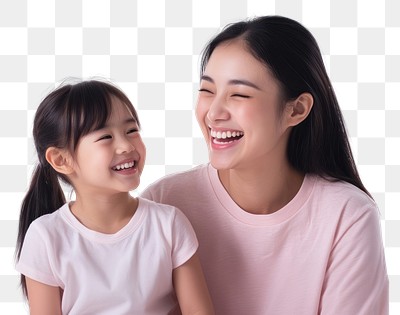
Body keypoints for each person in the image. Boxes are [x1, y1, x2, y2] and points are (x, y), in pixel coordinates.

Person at [141, 15, 389, 314]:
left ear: (296, 110)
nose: (213, 112)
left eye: (239, 94)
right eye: (207, 90)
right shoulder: (164, 203)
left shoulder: (347, 216)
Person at [15, 79, 215, 315]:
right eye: (105, 137)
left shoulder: (168, 224)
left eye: (131, 131)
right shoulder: (45, 237)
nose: (126, 146)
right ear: (61, 160)